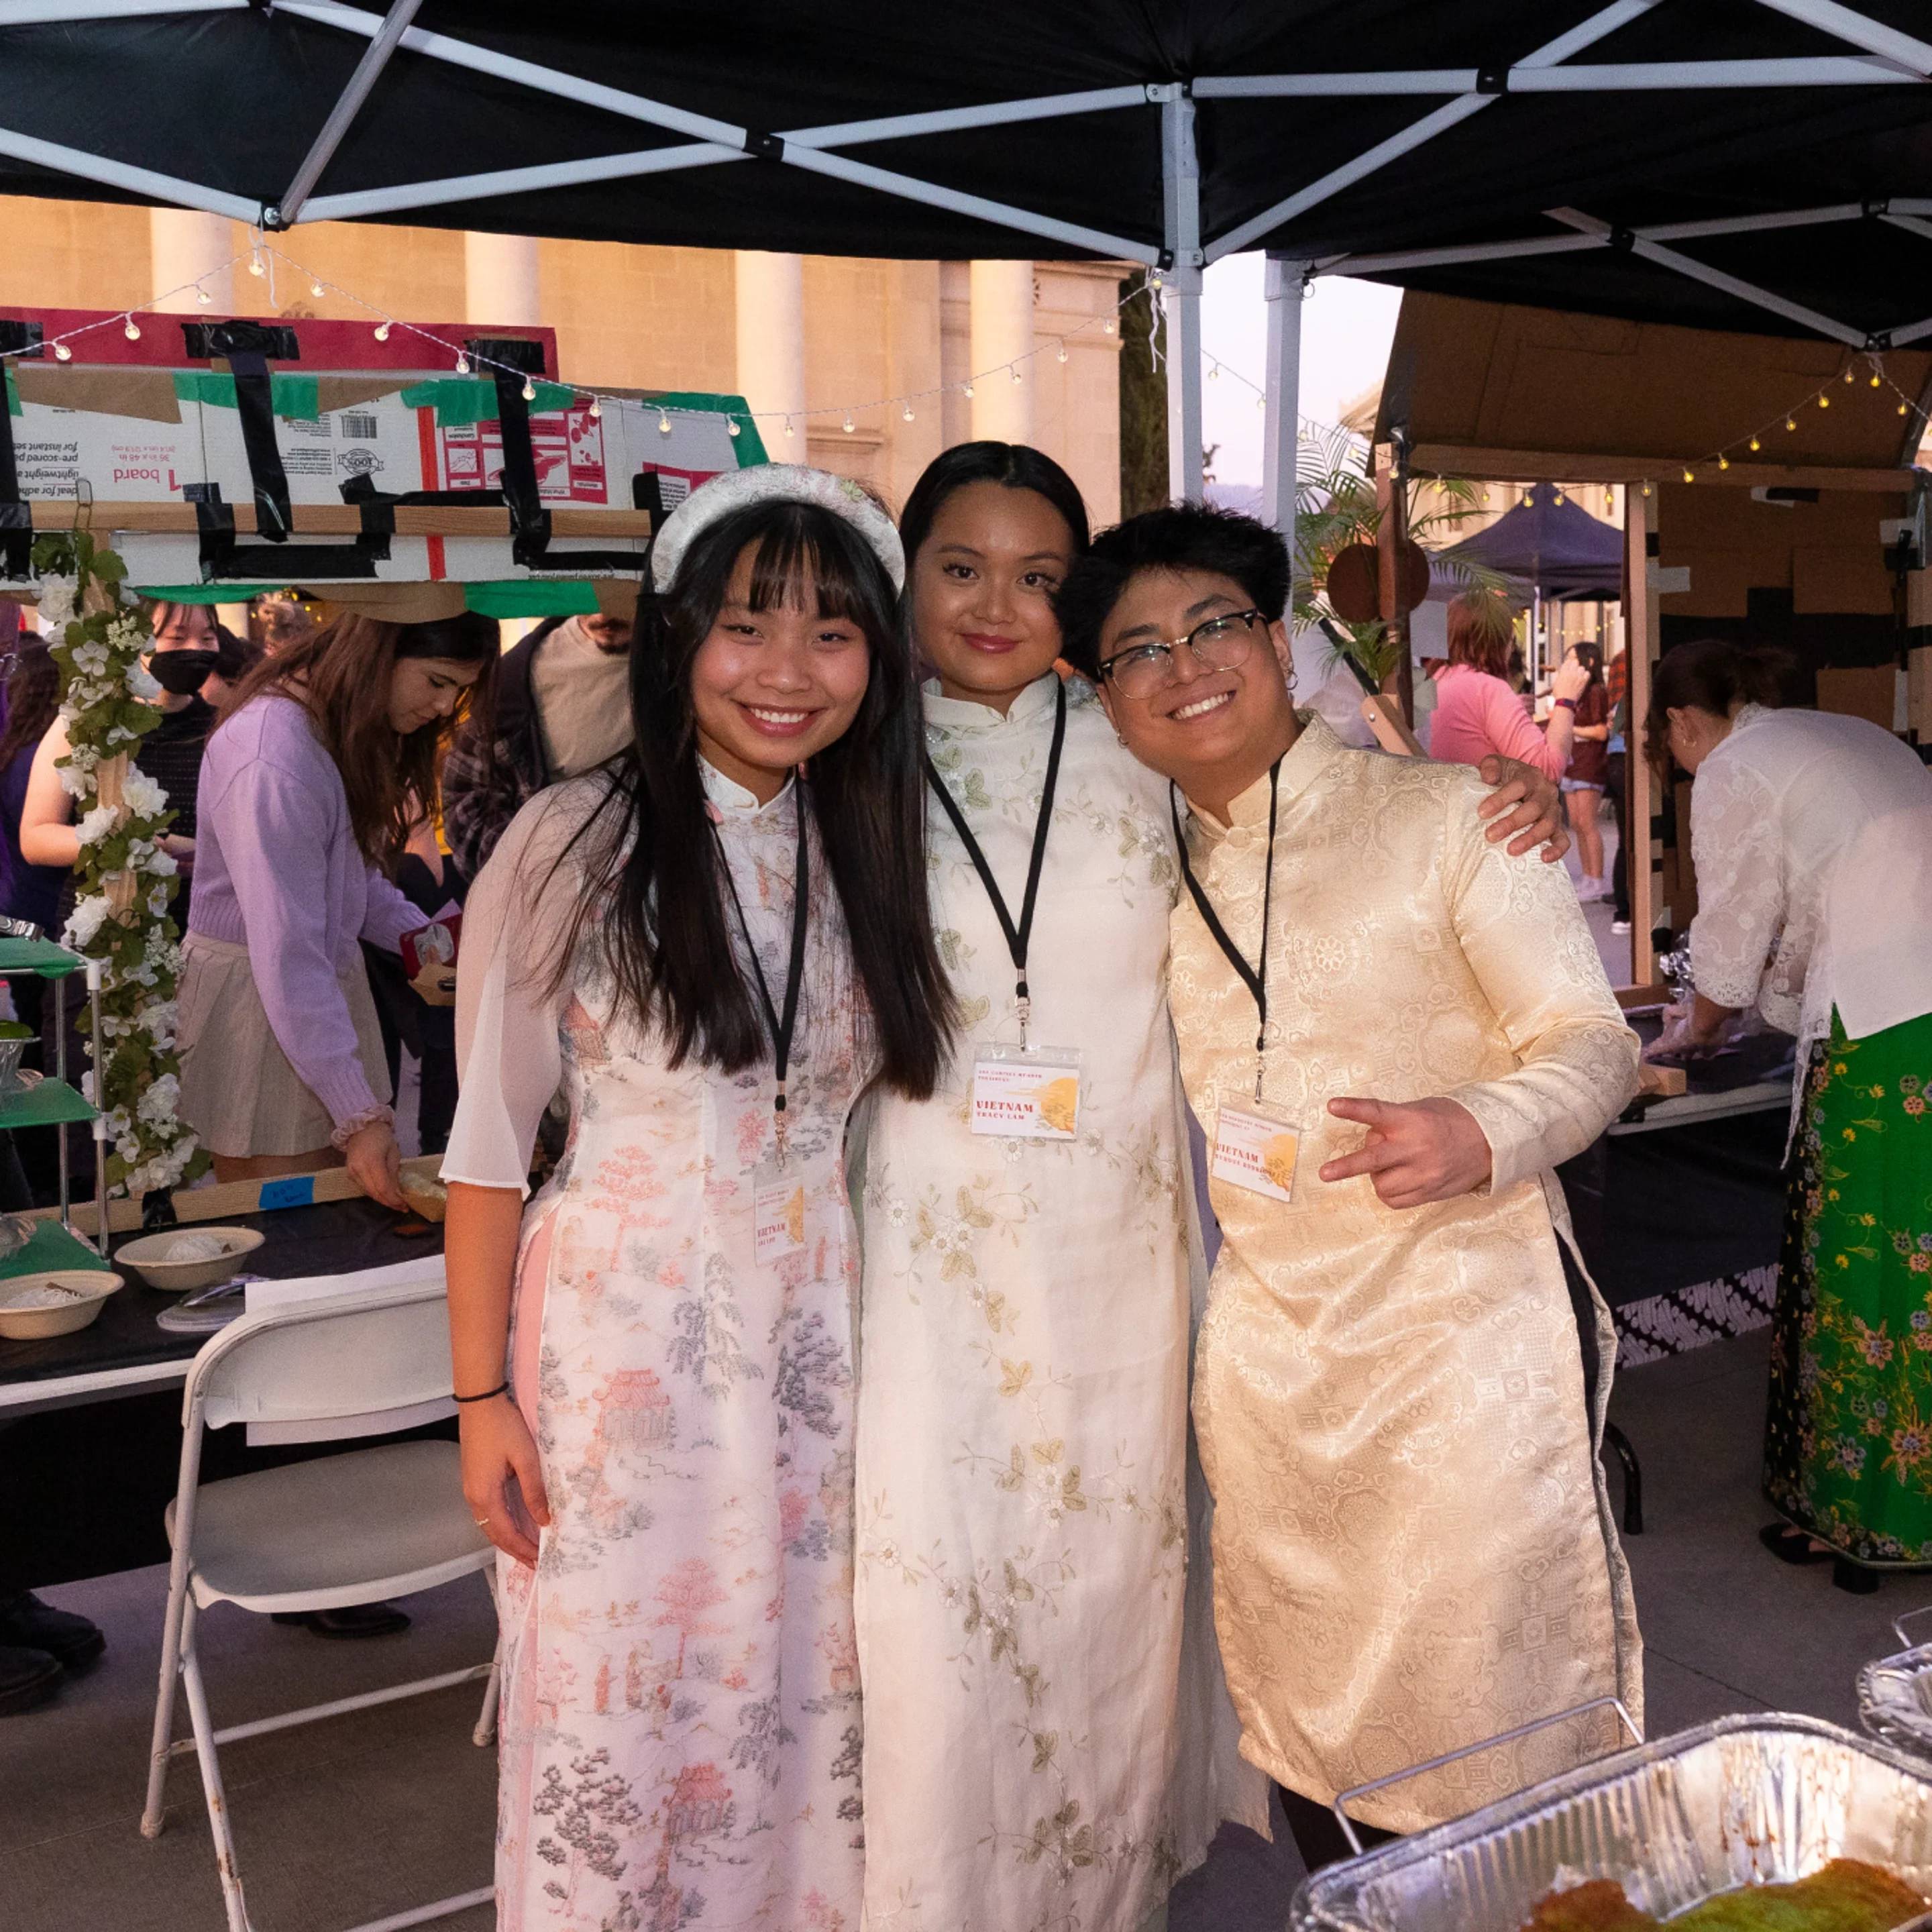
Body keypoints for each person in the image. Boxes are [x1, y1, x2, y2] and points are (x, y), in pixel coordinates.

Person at [1057, 505, 1644, 1868]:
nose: (1184, 665)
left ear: (1274, 640)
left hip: (1465, 1345)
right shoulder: (1146, 875)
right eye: (1138, 648)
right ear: (1105, 700)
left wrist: (1482, 1127)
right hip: (1273, 1370)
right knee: (1313, 1730)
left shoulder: (1452, 814)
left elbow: (1592, 1041)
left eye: (1214, 626)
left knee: (1493, 1714)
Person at [443, 467, 953, 1932]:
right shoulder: (572, 844)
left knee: (802, 1693)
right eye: (746, 626)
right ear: (676, 640)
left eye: (832, 636)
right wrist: (480, 1398)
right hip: (619, 1353)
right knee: (621, 1705)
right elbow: (487, 1145)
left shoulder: (866, 840)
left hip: (824, 1348)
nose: (788, 673)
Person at [1644, 639, 1932, 1595]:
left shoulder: (1731, 769)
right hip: (1916, 1003)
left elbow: (1732, 932)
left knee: (1861, 1269)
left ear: (1684, 726)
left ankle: (1856, 1522)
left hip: (1887, 1026)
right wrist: (1762, 1009)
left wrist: (1696, 1027)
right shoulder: (1841, 734)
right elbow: (1814, 909)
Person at [178, 612, 492, 1208]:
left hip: (309, 996)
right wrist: (358, 1114)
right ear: (378, 655)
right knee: (292, 1244)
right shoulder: (274, 752)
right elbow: (287, 951)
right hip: (264, 1005)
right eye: (436, 681)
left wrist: (432, 943)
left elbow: (351, 883)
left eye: (459, 690)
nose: (445, 707)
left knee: (333, 1232)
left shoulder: (322, 724)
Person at [441, 602, 635, 879]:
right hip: (555, 894)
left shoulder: (690, 664)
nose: (605, 608)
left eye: (615, 590)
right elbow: (465, 801)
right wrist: (537, 873)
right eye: (592, 586)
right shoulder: (517, 677)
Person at [1430, 591, 1592, 782]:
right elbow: (1546, 771)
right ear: (1500, 641)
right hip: (1482, 808)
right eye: (1511, 640)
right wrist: (1566, 701)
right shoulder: (1486, 689)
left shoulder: (1436, 680)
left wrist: (1511, 710)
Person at [1562, 643, 1612, 901]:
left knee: (1587, 822)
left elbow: (1601, 730)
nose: (1568, 664)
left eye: (1573, 659)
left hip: (1590, 763)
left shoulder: (1596, 691)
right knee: (1577, 823)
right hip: (1573, 762)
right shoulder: (1578, 693)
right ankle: (1587, 876)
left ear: (1588, 662)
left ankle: (1597, 879)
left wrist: (1570, 729)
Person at [1603, 645, 1632, 935]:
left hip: (1616, 757)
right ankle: (1626, 909)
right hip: (1630, 755)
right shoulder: (1633, 655)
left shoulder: (1619, 659)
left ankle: (1624, 911)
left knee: (1627, 838)